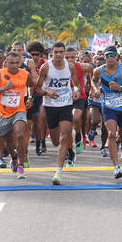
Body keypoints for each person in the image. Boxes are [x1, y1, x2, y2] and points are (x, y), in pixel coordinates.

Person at [35, 41, 80, 185]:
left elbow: (77, 85)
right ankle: (69, 150)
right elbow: (37, 89)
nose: (59, 55)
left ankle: (58, 172)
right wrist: (47, 92)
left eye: (61, 52)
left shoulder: (70, 67)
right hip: (50, 106)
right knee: (55, 141)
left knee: (65, 134)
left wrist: (77, 92)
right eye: (56, 52)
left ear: (65, 53)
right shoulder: (46, 67)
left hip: (66, 104)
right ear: (51, 53)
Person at [0, 51, 35, 179]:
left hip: (19, 110)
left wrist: (30, 97)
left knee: (20, 134)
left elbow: (32, 86)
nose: (13, 66)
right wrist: (4, 88)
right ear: (5, 63)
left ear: (20, 62)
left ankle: (21, 166)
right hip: (2, 112)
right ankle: (13, 157)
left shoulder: (25, 74)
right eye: (11, 63)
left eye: (16, 63)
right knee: (8, 142)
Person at [91, 45, 122, 179]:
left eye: (112, 55)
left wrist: (120, 88)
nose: (110, 58)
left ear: (117, 56)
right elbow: (93, 81)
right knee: (111, 133)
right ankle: (116, 167)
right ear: (104, 57)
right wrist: (96, 89)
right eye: (107, 55)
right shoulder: (98, 70)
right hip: (107, 105)